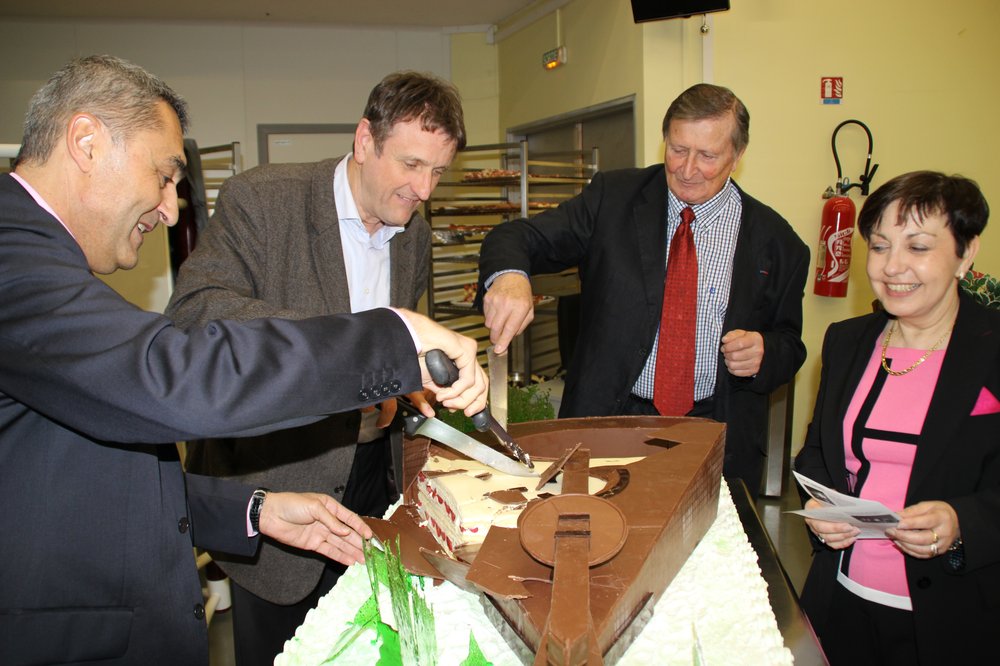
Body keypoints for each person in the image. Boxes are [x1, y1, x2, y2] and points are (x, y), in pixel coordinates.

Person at [0, 55, 486, 666]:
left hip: (349, 481)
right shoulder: (15, 259)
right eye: (164, 175)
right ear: (86, 141)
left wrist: (251, 510)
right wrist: (388, 340)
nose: (171, 210)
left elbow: (84, 472)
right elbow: (176, 370)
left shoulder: (40, 257)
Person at [164, 70, 464, 664]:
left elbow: (399, 349)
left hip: (373, 475)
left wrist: (408, 386)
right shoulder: (263, 200)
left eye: (437, 172)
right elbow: (194, 316)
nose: (423, 189)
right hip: (280, 482)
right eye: (410, 164)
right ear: (364, 140)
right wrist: (357, 347)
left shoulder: (414, 233)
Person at [478, 83, 809, 491]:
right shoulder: (613, 199)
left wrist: (765, 351)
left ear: (738, 155)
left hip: (715, 432)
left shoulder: (777, 243)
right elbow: (518, 237)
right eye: (678, 149)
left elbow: (790, 343)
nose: (688, 170)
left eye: (707, 156)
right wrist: (510, 275)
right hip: (606, 422)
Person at [794, 171, 997, 664]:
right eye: (880, 246)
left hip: (956, 612)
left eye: (918, 247)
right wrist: (819, 508)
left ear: (965, 253)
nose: (892, 266)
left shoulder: (991, 349)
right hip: (841, 597)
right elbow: (818, 452)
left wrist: (962, 521)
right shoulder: (847, 341)